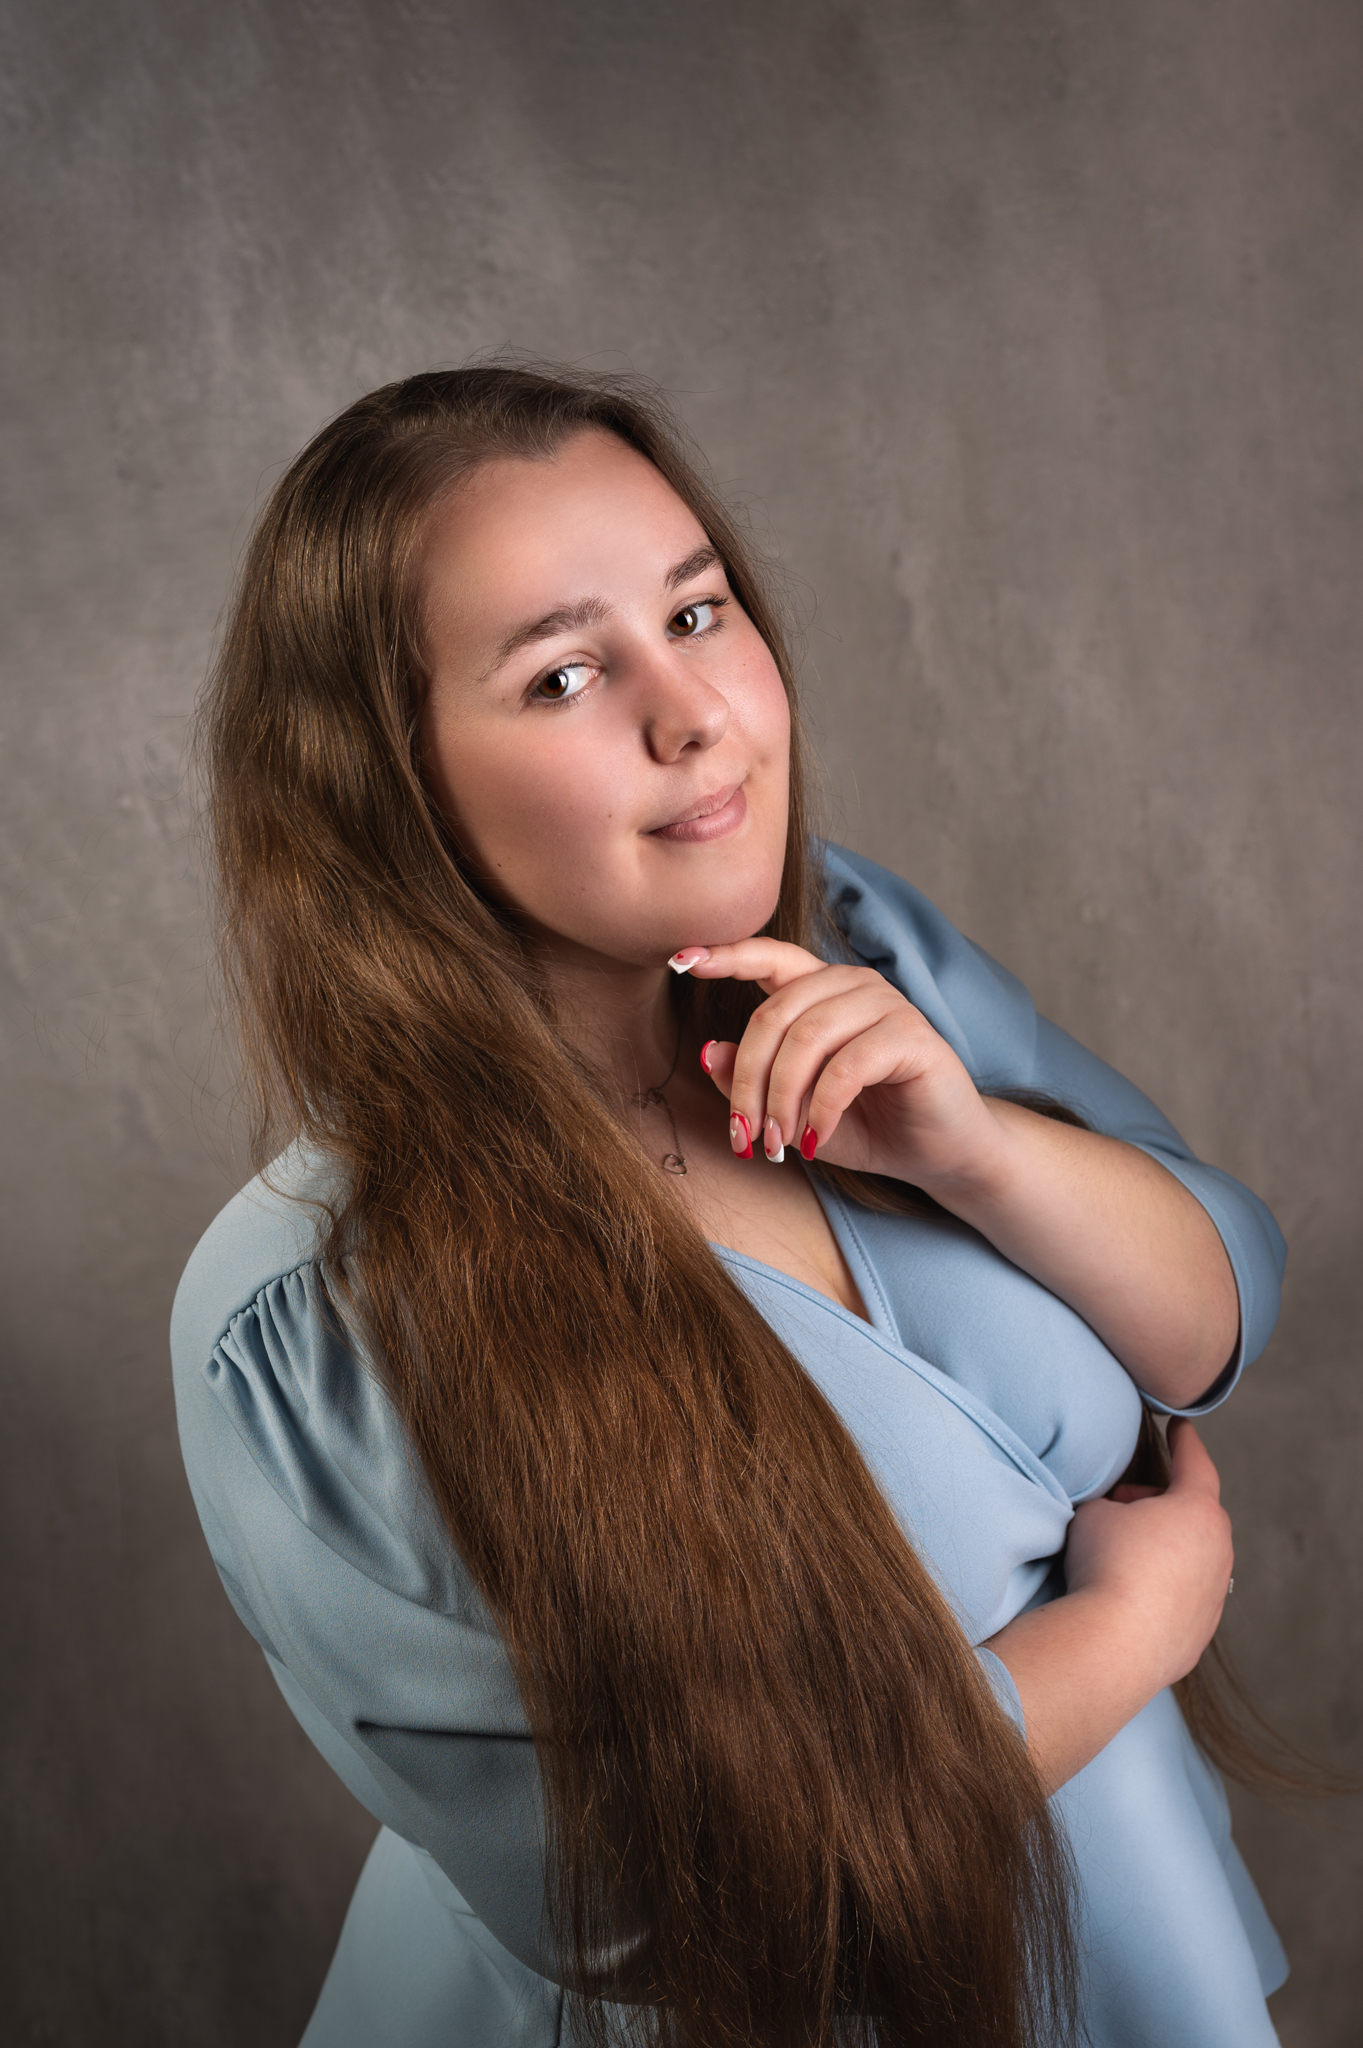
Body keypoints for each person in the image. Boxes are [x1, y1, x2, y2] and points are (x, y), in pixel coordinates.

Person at [173, 364, 1289, 2048]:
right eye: (562, 675)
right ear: (386, 785)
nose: (691, 713)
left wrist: (975, 1152)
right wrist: (1137, 1625)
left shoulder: (860, 949)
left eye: (696, 612)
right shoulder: (313, 1321)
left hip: (1117, 1952)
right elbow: (666, 1901)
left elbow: (1216, 1322)